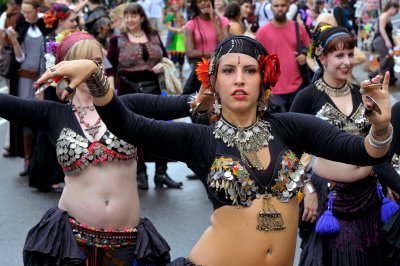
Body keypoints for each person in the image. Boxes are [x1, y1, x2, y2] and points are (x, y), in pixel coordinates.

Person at [37, 35, 393, 266]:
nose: (239, 78)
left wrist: (379, 127)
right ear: (214, 83)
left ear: (264, 82)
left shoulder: (292, 127)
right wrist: (98, 80)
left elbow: (362, 152)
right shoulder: (200, 139)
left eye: (250, 70)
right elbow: (130, 125)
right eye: (228, 70)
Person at [0, 30, 175, 265]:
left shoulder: (128, 106)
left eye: (97, 62)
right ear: (65, 67)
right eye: (84, 62)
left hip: (126, 243)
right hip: (71, 243)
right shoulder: (53, 113)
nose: (94, 68)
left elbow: (185, 104)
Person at [290, 25, 397, 265]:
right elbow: (287, 155)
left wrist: (388, 179)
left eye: (350, 54)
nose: (347, 62)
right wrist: (306, 191)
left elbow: (380, 142)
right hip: (330, 201)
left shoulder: (363, 94)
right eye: (339, 55)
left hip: (369, 197)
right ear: (323, 57)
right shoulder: (306, 98)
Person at [107, 2, 183, 190]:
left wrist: (162, 65)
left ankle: (161, 173)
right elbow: (109, 67)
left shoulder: (154, 36)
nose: (130, 19)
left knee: (159, 130)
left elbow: (165, 57)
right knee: (134, 132)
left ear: (142, 17)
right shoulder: (117, 40)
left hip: (154, 89)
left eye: (134, 16)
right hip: (128, 89)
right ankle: (140, 173)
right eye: (127, 16)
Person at [28, 3, 77, 192]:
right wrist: (40, 91)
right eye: (72, 20)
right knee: (50, 132)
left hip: (66, 88)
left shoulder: (72, 39)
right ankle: (45, 177)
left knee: (63, 132)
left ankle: (56, 175)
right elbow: (44, 67)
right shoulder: (50, 40)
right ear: (61, 20)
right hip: (52, 89)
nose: (75, 23)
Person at [7, 0, 47, 176]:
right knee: (26, 119)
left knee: (43, 118)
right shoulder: (20, 26)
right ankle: (27, 159)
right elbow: (20, 58)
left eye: (28, 12)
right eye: (23, 12)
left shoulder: (47, 24)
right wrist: (15, 41)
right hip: (24, 80)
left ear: (37, 10)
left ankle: (40, 160)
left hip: (43, 79)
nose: (25, 15)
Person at [256, 0, 310, 113]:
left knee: (298, 126)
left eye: (283, 5)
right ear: (271, 8)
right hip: (274, 91)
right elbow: (258, 62)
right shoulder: (262, 32)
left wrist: (304, 55)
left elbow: (309, 47)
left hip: (298, 86)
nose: (280, 8)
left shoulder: (298, 27)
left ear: (288, 6)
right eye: (276, 5)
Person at [182, 0, 229, 95]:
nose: (203, 3)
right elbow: (190, 52)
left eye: (206, 0)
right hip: (202, 72)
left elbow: (227, 44)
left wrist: (213, 19)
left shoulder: (223, 21)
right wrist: (214, 54)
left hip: (222, 68)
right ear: (195, 5)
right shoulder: (191, 24)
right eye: (199, 1)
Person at [370, 1, 399, 86]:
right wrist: (387, 41)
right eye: (396, 11)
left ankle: (374, 76)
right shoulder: (385, 15)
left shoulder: (384, 15)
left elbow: (376, 27)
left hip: (380, 40)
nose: (396, 13)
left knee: (387, 61)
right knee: (385, 61)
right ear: (392, 7)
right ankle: (380, 82)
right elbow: (381, 29)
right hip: (381, 41)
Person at [165, 0, 186, 80]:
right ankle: (172, 76)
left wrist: (184, 26)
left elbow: (184, 23)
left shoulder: (181, 15)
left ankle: (181, 75)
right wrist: (178, 30)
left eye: (176, 5)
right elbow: (168, 27)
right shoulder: (170, 15)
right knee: (173, 59)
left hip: (180, 39)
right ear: (171, 6)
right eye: (173, 5)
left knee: (181, 58)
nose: (175, 6)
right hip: (173, 39)